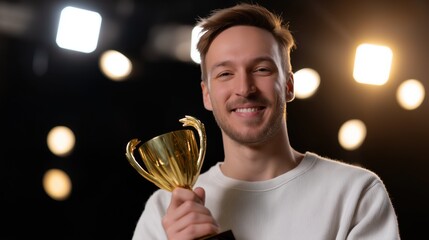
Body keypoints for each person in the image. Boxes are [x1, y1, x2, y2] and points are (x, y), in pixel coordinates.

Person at [131, 3, 400, 240]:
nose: (244, 88)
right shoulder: (165, 210)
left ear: (289, 85)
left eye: (261, 69)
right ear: (207, 95)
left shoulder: (355, 192)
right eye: (225, 73)